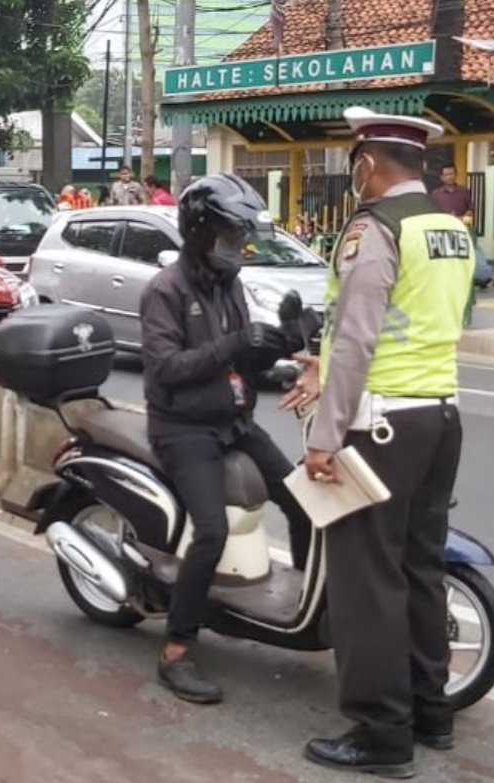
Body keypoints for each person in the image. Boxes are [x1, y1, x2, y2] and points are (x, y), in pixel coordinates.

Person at [286, 108, 475, 778]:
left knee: (366, 580)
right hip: (440, 417)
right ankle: (432, 712)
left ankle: (380, 731)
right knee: (422, 569)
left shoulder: (374, 228)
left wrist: (326, 436)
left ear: (368, 162)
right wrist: (323, 364)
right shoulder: (450, 228)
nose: (352, 173)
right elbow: (415, 324)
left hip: (381, 424)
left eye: (354, 162)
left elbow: (363, 334)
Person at [140, 173, 313, 705]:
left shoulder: (229, 284)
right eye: (228, 237)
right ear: (199, 231)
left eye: (240, 239)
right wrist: (236, 343)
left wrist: (285, 338)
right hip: (183, 429)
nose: (236, 249)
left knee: (305, 502)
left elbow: (242, 356)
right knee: (211, 532)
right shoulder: (165, 291)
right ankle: (176, 650)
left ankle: (302, 608)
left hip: (233, 421)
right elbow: (166, 370)